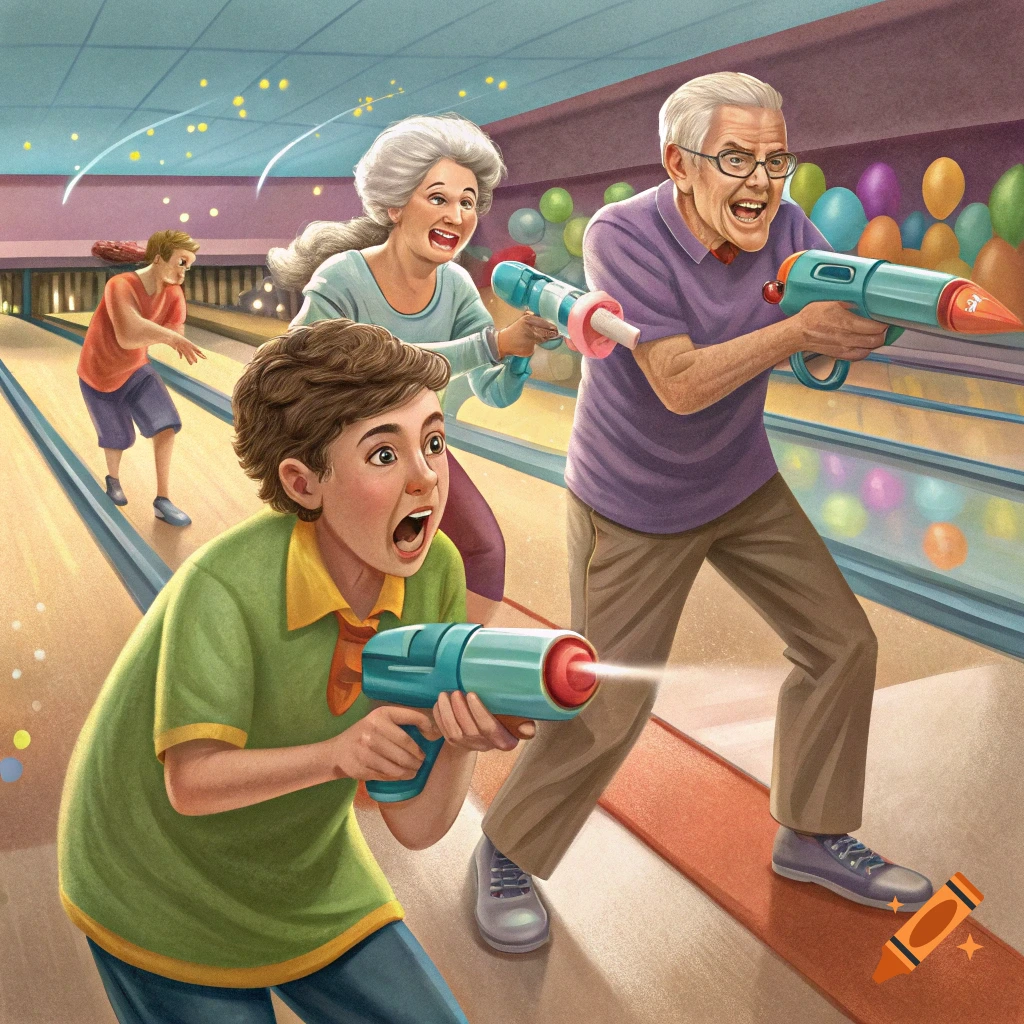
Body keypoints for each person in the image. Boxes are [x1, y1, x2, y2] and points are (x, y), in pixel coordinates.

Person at [470, 71, 934, 953]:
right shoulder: (623, 235)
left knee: (842, 645)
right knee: (608, 704)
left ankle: (811, 832)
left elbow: (810, 312)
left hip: (738, 482)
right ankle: (507, 847)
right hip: (634, 498)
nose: (762, 182)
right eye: (736, 159)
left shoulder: (785, 228)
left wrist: (863, 320)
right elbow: (679, 382)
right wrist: (801, 333)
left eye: (776, 160)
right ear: (679, 165)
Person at [57, 319, 531, 1024]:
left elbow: (413, 823)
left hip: (304, 876)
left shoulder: (435, 577)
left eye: (433, 441)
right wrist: (339, 754)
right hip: (153, 881)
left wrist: (458, 742)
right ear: (303, 482)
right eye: (383, 454)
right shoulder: (224, 588)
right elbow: (190, 782)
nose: (428, 476)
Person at [269, 113, 559, 624]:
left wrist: (517, 355)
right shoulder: (343, 278)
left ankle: (437, 663)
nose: (457, 215)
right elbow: (323, 368)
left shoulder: (456, 287)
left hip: (420, 455)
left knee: (484, 553)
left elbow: (491, 391)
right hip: (342, 459)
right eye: (439, 198)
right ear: (395, 204)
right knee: (356, 566)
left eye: (468, 202)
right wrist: (492, 343)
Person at [77, 229, 205, 527]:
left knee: (166, 425)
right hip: (99, 372)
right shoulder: (119, 285)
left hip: (135, 370)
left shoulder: (174, 294)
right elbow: (128, 335)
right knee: (118, 438)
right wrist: (169, 336)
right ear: (159, 259)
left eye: (190, 265)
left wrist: (172, 337)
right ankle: (113, 479)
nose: (185, 270)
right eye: (182, 262)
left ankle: (163, 500)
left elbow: (175, 334)